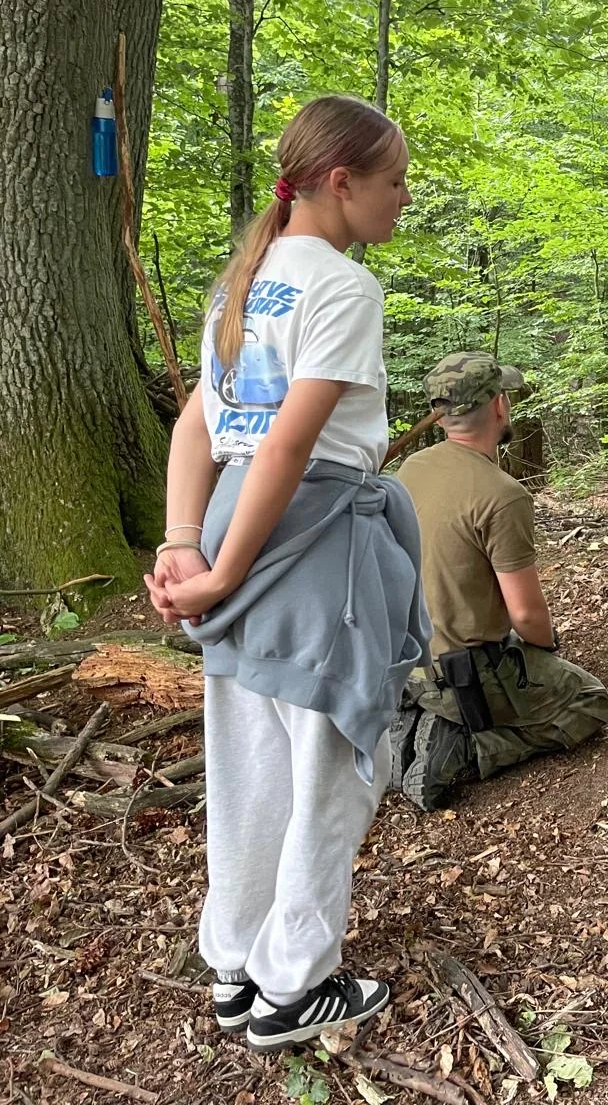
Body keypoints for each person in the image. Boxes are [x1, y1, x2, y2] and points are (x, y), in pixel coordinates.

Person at [144, 96, 428, 1052]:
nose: (403, 198)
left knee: (249, 767)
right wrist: (218, 571)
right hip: (312, 550)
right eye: (393, 182)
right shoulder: (343, 287)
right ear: (340, 184)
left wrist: (186, 540)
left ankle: (236, 965)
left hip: (231, 525)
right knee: (333, 769)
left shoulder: (248, 279)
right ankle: (295, 987)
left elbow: (201, 423)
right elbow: (291, 450)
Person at [390, 353, 608, 811]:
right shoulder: (502, 496)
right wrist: (545, 647)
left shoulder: (411, 469)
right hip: (465, 673)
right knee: (590, 701)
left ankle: (420, 721)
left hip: (408, 659)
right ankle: (468, 748)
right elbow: (528, 614)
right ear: (498, 406)